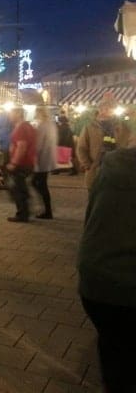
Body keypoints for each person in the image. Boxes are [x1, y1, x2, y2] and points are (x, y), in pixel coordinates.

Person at [77, 126, 136, 392]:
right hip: (122, 280)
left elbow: (91, 222)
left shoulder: (113, 167)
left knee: (113, 347)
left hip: (97, 279)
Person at [77, 98, 129, 190]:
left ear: (113, 110)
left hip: (116, 170)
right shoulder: (90, 127)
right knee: (95, 200)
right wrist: (88, 165)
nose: (104, 111)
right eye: (102, 108)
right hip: (96, 169)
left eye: (108, 108)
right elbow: (81, 148)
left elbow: (128, 146)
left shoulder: (122, 127)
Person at [6, 106, 36, 223]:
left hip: (22, 163)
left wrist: (14, 162)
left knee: (17, 189)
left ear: (18, 114)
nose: (10, 116)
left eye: (11, 113)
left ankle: (22, 213)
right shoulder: (28, 126)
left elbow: (21, 146)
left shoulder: (21, 128)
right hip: (28, 162)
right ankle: (25, 210)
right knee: (20, 187)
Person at [32, 106, 58, 219]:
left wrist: (33, 155)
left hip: (42, 159)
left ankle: (47, 210)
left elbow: (38, 145)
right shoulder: (51, 125)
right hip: (48, 158)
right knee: (41, 183)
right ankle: (46, 208)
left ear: (40, 114)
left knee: (39, 184)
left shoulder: (42, 126)